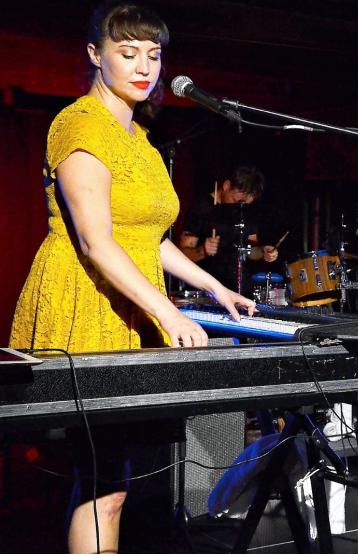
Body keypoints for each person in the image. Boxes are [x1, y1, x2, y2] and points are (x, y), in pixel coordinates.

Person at [7, 4, 255, 552]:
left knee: (111, 481)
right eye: (127, 53)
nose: (144, 67)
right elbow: (96, 242)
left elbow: (151, 239)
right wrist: (168, 312)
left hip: (130, 305)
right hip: (86, 303)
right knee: (104, 483)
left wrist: (214, 287)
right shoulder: (79, 125)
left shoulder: (138, 136)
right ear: (95, 55)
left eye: (153, 54)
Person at [178, 165, 280, 292]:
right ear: (226, 186)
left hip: (239, 288)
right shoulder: (202, 208)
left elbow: (248, 252)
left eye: (246, 205)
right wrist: (202, 251)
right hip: (207, 289)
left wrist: (263, 251)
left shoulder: (246, 211)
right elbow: (181, 256)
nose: (240, 208)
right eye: (237, 201)